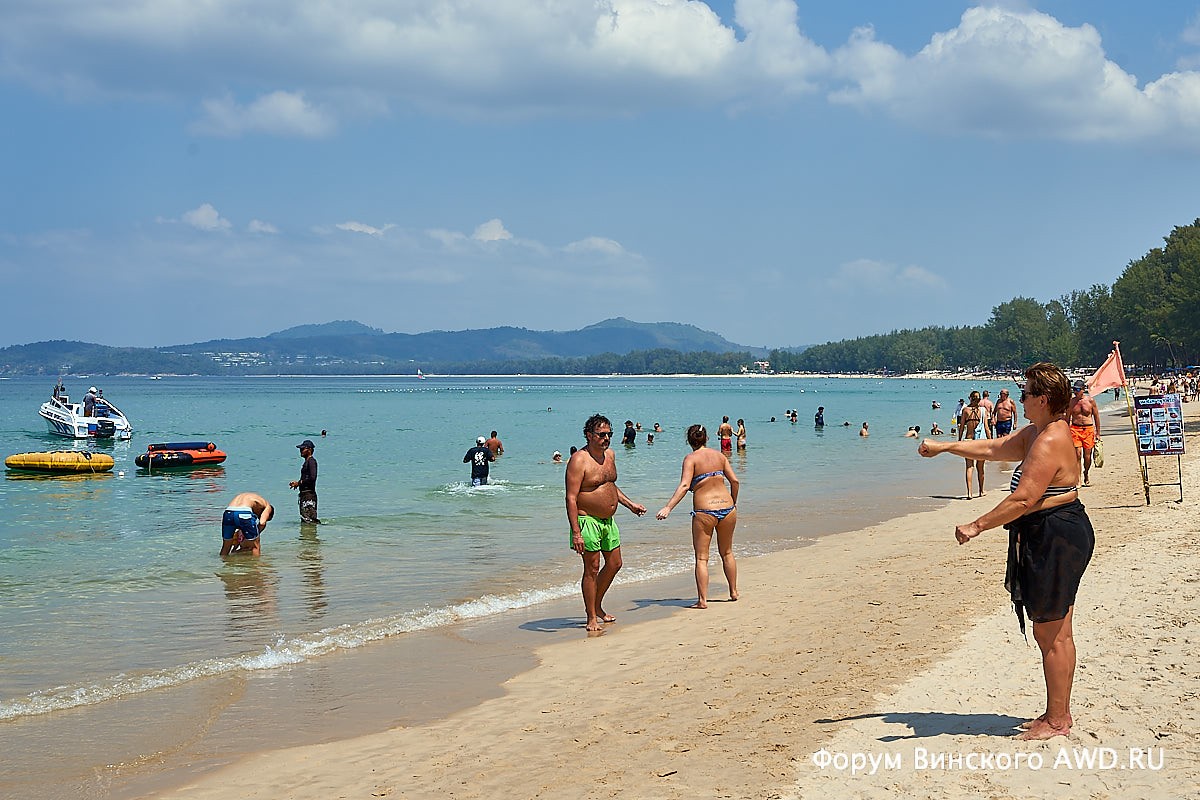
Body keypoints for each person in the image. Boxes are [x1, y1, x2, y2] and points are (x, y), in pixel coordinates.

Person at [918, 362, 1094, 741]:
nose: (1019, 399)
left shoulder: (1049, 439)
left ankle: (1058, 720)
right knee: (1057, 631)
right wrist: (946, 447)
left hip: (1056, 536)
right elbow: (993, 448)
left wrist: (976, 525)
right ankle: (1057, 712)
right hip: (1056, 533)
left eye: (1025, 393)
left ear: (1043, 399)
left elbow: (1023, 499)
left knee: (1052, 633)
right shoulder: (1037, 432)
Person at [565, 414, 647, 631]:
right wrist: (576, 532)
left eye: (609, 434)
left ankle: (597, 605)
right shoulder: (578, 460)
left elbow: (609, 486)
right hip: (587, 520)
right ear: (589, 435)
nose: (607, 438)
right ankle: (591, 616)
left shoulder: (610, 455)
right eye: (601, 435)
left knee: (615, 563)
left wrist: (630, 504)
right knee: (592, 569)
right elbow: (571, 498)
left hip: (608, 521)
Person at [656, 424, 740, 608]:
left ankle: (702, 600)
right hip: (727, 508)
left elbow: (685, 486)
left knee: (702, 558)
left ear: (689, 440)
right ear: (706, 438)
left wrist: (668, 507)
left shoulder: (691, 459)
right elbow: (735, 481)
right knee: (727, 552)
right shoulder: (720, 456)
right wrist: (733, 501)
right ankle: (733, 592)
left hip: (705, 511)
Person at [1067, 380, 1101, 487]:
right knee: (1077, 454)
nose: (1075, 392)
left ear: (1083, 390)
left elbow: (1096, 417)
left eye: (1077, 389)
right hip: (1075, 429)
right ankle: (1078, 479)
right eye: (1074, 389)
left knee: (1087, 456)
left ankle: (1086, 473)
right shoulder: (1071, 402)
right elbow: (1067, 418)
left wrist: (1098, 433)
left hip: (1088, 430)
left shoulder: (1090, 401)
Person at [220, 492, 274, 556]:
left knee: (226, 547)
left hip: (228, 513)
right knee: (255, 546)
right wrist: (255, 536)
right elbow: (262, 523)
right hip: (244, 513)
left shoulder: (250, 498)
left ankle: (222, 561)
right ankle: (256, 562)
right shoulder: (268, 506)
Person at [958, 391, 988, 498]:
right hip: (980, 442)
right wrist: (991, 441)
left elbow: (962, 426)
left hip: (969, 441)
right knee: (980, 467)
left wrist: (959, 439)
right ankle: (981, 491)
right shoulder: (983, 410)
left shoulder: (965, 410)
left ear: (970, 398)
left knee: (969, 467)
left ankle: (969, 492)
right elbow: (986, 428)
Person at [289, 440, 319, 523]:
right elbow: (307, 478)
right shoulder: (307, 461)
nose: (300, 451)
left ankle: (314, 531)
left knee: (309, 520)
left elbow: (312, 478)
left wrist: (299, 483)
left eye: (303, 449)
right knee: (305, 519)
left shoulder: (311, 461)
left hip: (309, 495)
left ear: (309, 450)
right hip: (305, 494)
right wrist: (298, 484)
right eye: (300, 449)